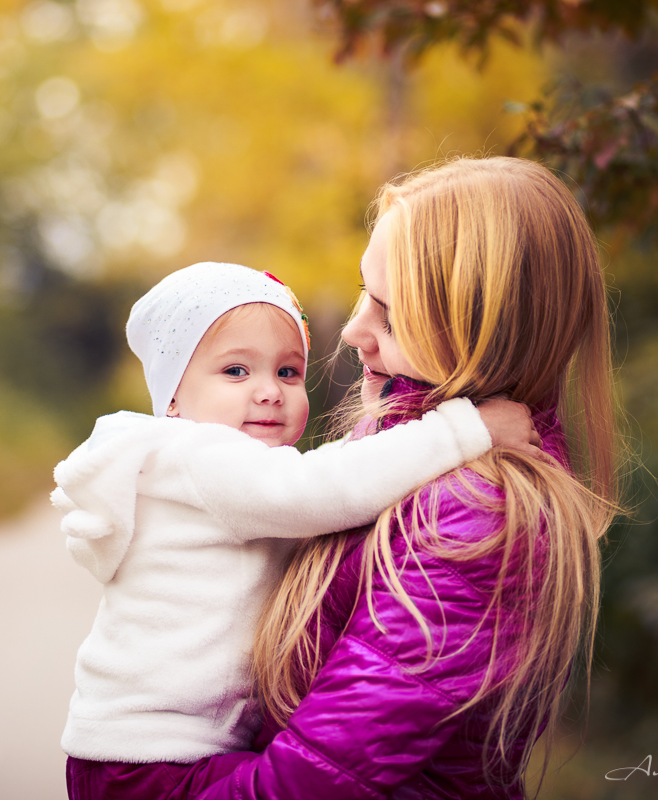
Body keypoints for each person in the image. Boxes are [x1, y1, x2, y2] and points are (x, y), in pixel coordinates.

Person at [66, 156, 621, 799]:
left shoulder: (476, 514)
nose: (355, 331)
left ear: (477, 331)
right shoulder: (400, 447)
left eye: (389, 314)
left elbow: (313, 782)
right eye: (363, 292)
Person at [54, 262, 539, 782]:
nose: (269, 392)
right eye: (236, 371)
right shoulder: (200, 459)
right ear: (172, 396)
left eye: (288, 372)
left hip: (148, 751)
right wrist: (465, 430)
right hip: (152, 757)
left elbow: (327, 475)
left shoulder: (216, 468)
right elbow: (322, 487)